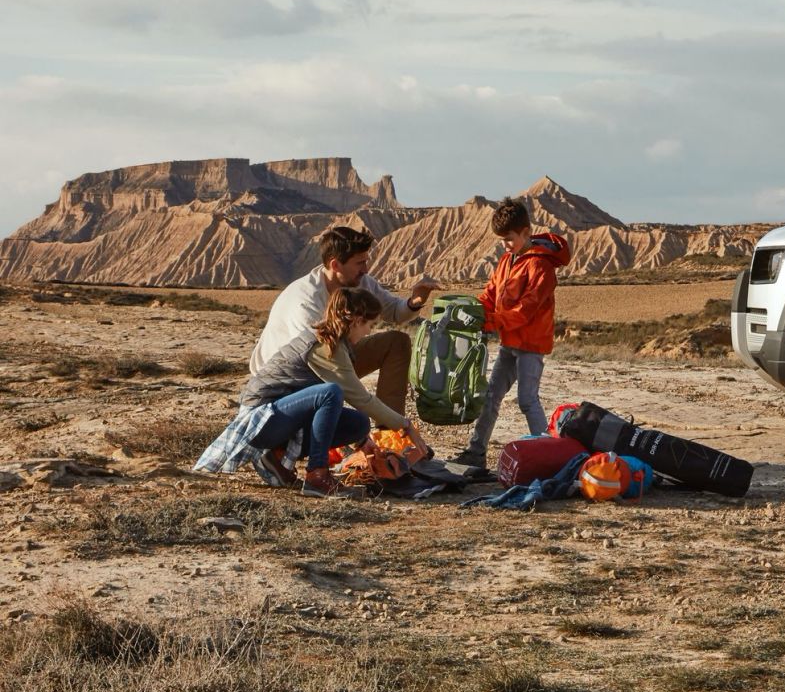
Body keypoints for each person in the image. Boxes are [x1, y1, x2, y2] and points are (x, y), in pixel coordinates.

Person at [199, 287, 426, 496]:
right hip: (262, 420)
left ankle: (276, 455)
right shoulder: (323, 346)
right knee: (330, 393)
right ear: (356, 321)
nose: (368, 332)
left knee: (358, 424)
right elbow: (360, 397)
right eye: (370, 325)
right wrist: (405, 426)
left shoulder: (336, 343)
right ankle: (317, 474)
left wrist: (363, 440)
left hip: (282, 419)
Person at [250, 225, 441, 417]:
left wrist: (415, 302)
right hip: (288, 381)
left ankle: (389, 435)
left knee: (396, 342)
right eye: (360, 263)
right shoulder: (306, 300)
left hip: (333, 355)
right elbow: (318, 358)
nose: (366, 270)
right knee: (343, 414)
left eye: (366, 261)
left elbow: (394, 312)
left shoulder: (360, 282)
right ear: (335, 265)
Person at [451, 199, 571, 469]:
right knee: (491, 396)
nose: (505, 245)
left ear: (526, 232)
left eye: (509, 239)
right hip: (509, 342)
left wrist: (490, 322)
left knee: (527, 400)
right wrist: (473, 311)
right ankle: (476, 453)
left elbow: (525, 311)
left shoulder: (541, 267)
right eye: (502, 240)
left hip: (530, 344)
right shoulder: (507, 261)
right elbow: (490, 294)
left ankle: (548, 458)